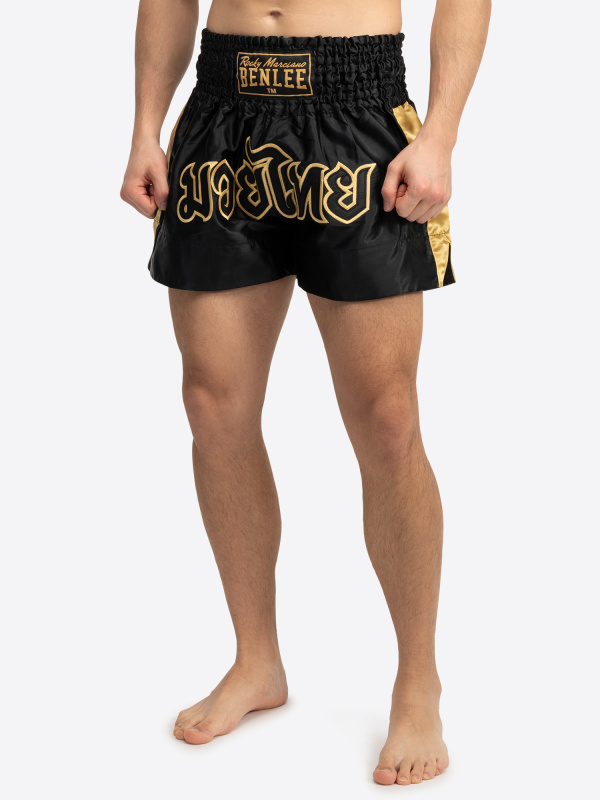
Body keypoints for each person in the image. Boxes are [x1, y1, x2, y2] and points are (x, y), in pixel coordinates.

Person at [120, 0, 490, 785]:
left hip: (359, 107)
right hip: (223, 107)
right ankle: (257, 660)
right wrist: (146, 125)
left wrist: (441, 133)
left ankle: (418, 681)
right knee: (212, 404)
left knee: (388, 418)